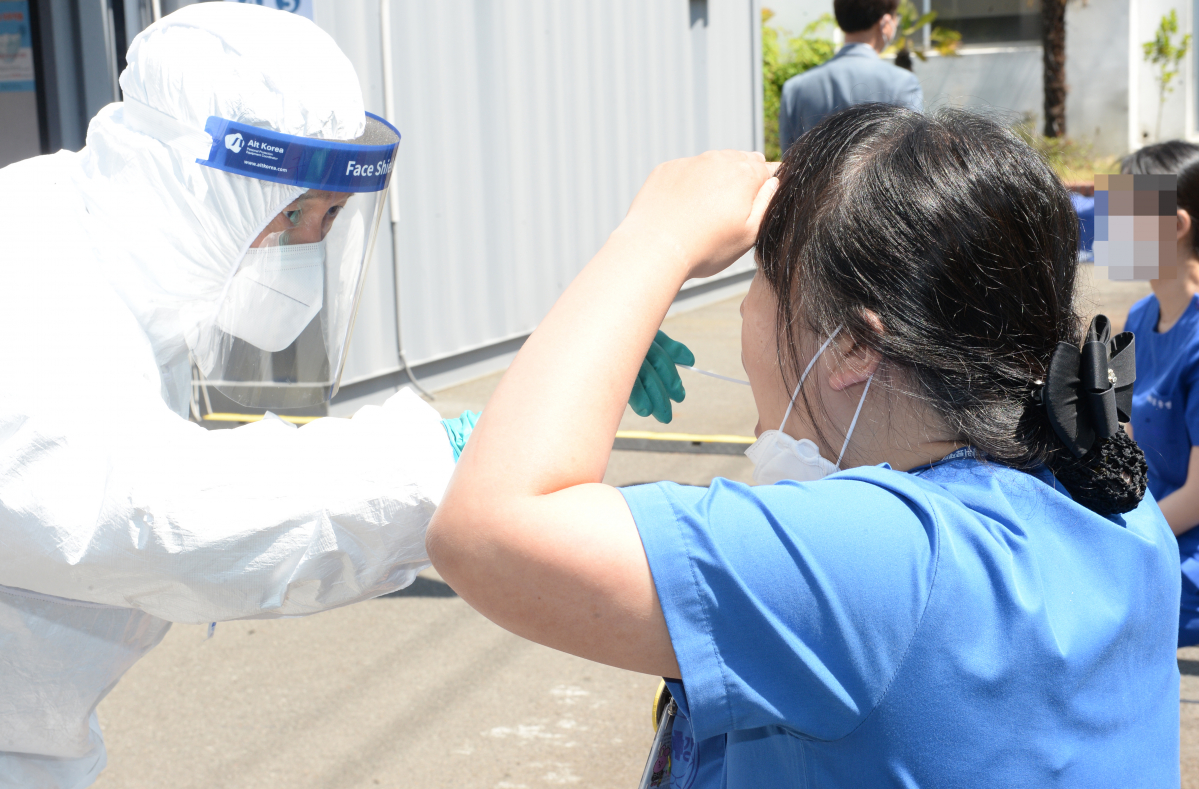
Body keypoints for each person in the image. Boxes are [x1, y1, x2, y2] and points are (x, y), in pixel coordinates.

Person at [0, 2, 688, 788]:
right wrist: (464, 451)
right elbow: (152, 515)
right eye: (292, 214)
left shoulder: (111, 245)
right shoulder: (29, 278)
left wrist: (546, 389)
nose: (307, 246)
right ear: (196, 182)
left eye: (331, 219)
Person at [428, 105, 1180, 786]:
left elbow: (486, 531)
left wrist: (654, 240)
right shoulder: (1110, 495)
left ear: (853, 345)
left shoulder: (882, 560)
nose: (750, 310)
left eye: (761, 280)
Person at [1120, 141, 1199, 646]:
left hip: (1181, 542)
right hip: (1155, 526)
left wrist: (1121, 540)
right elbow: (1123, 447)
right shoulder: (1138, 318)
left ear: (1175, 226)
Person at [778, 0, 922, 155]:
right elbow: (912, 158)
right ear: (886, 22)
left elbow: (787, 162)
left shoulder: (795, 88)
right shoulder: (903, 83)